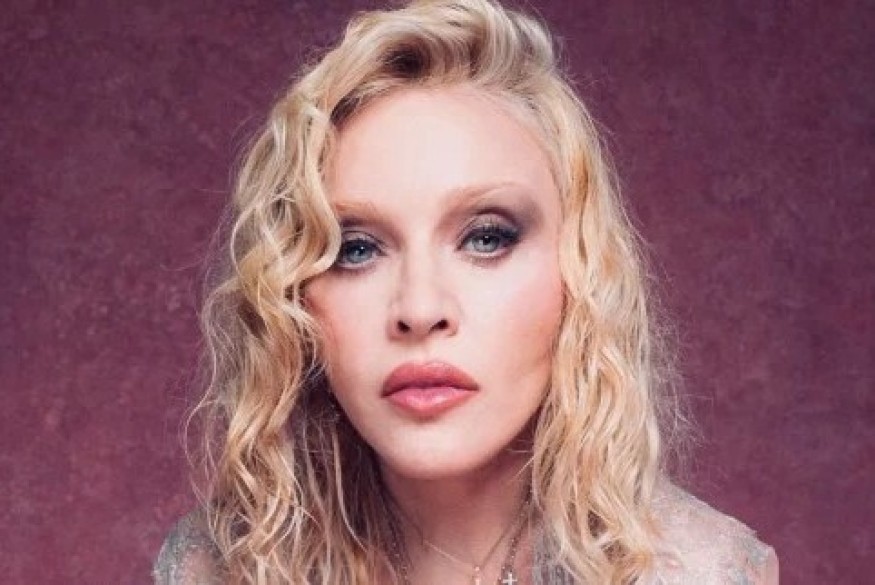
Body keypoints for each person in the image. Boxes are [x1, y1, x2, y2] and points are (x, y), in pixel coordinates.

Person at [154, 0, 778, 583]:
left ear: (581, 271)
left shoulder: (704, 571)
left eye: (485, 238)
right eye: (356, 249)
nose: (420, 309)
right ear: (292, 296)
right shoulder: (212, 569)